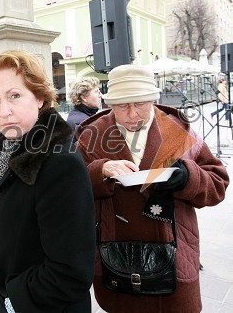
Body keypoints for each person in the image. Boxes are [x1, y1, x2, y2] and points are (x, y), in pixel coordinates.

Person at [76, 64, 229, 313]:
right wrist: (99, 171)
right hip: (117, 259)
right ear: (110, 104)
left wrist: (188, 177)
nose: (133, 114)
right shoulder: (91, 134)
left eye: (141, 104)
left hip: (176, 258)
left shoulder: (179, 130)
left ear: (153, 99)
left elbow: (218, 183)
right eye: (123, 105)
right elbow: (69, 191)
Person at [0, 50, 95, 312]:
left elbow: (71, 274)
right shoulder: (8, 147)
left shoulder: (59, 163)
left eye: (15, 95)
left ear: (39, 97)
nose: (4, 111)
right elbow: (22, 212)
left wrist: (10, 300)